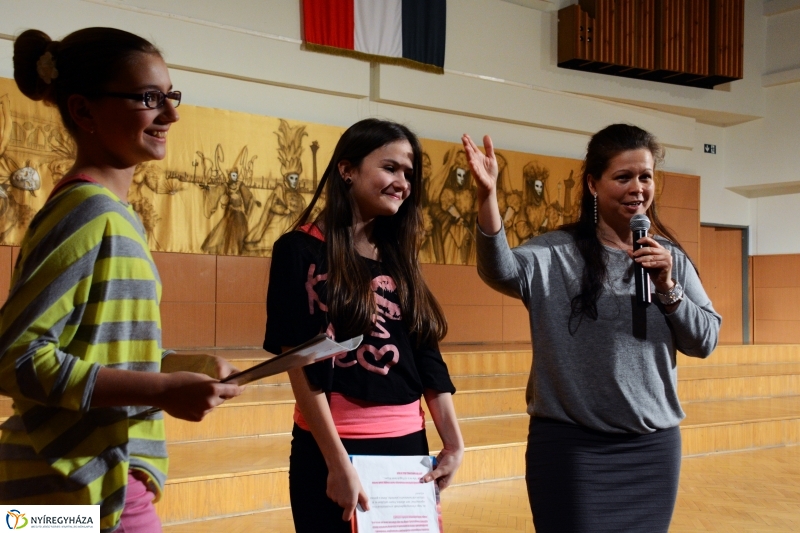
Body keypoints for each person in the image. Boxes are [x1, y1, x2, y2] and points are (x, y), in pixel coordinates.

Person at [0, 28, 244, 532]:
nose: (171, 114)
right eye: (148, 98)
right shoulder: (86, 213)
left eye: (170, 96)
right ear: (84, 112)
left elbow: (93, 352)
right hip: (71, 494)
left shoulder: (114, 216)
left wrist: (181, 367)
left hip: (98, 488)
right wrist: (159, 390)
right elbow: (15, 358)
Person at [461, 124, 721, 533]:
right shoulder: (555, 253)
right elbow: (500, 270)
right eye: (623, 177)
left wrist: (668, 289)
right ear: (593, 184)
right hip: (573, 450)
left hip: (652, 450)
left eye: (645, 176)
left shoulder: (669, 260)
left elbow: (705, 340)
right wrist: (487, 196)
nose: (638, 188)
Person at [264, 118, 464, 532]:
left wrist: (454, 442)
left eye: (409, 174)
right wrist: (337, 464)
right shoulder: (298, 251)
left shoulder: (400, 256)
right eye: (390, 168)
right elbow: (301, 365)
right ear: (347, 169)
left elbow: (426, 355)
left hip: (408, 449)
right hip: (332, 449)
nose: (403, 182)